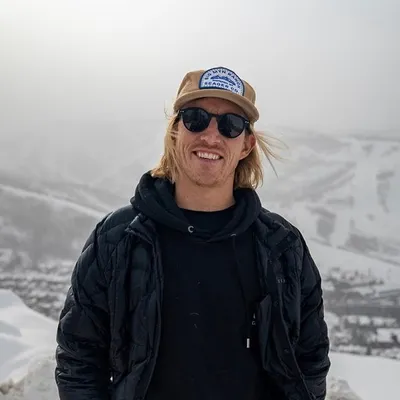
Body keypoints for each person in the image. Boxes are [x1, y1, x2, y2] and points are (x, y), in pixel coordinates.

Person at [54, 66, 330, 400]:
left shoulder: (282, 246)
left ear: (246, 145)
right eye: (195, 119)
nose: (211, 136)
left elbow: (310, 360)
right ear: (175, 132)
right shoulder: (118, 239)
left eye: (231, 125)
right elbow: (79, 359)